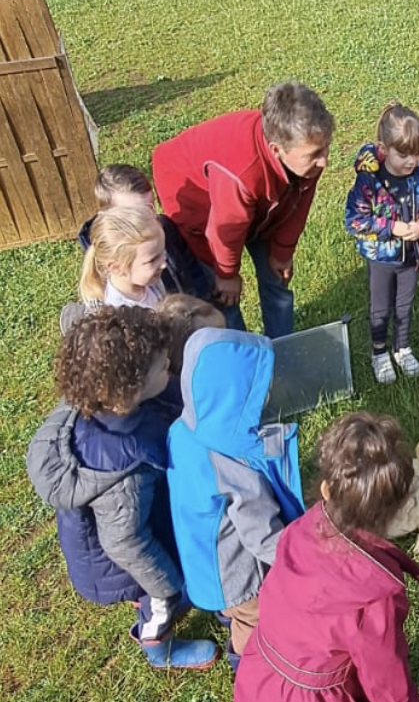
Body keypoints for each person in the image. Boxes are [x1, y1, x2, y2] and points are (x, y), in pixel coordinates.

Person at [233, 413, 419, 702]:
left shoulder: (301, 529)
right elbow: (383, 671)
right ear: (394, 514)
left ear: (325, 491)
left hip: (267, 669)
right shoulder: (372, 596)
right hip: (312, 701)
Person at [26, 308, 218, 670]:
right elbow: (125, 543)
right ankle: (159, 649)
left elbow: (82, 324)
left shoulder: (98, 395)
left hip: (131, 527)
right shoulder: (123, 474)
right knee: (159, 603)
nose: (168, 366)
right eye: (161, 367)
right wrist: (165, 583)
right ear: (125, 395)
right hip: (125, 563)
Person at [166, 328, 305, 672]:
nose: (265, 394)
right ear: (231, 396)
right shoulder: (231, 465)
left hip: (202, 558)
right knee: (255, 620)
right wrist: (302, 564)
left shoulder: (182, 429)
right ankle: (249, 667)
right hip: (239, 578)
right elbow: (261, 535)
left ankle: (230, 617)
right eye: (255, 389)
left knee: (234, 610)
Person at [152, 82, 334, 338]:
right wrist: (227, 274)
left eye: (326, 147)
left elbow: (299, 201)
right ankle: (242, 353)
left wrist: (282, 252)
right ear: (277, 150)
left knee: (276, 276)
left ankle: (281, 346)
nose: (324, 160)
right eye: (315, 154)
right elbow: (224, 230)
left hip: (248, 198)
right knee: (224, 297)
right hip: (198, 201)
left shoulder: (306, 158)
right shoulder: (242, 173)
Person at [343, 103, 419, 383]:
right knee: (380, 307)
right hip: (381, 258)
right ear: (384, 149)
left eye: (417, 153)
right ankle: (379, 352)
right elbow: (354, 220)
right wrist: (391, 228)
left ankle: (402, 348)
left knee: (405, 304)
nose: (411, 161)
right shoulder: (370, 181)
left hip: (411, 256)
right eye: (403, 154)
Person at [76, 164, 213, 302]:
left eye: (150, 207)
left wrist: (203, 300)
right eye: (135, 214)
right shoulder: (108, 270)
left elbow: (190, 266)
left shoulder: (163, 227)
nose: (149, 218)